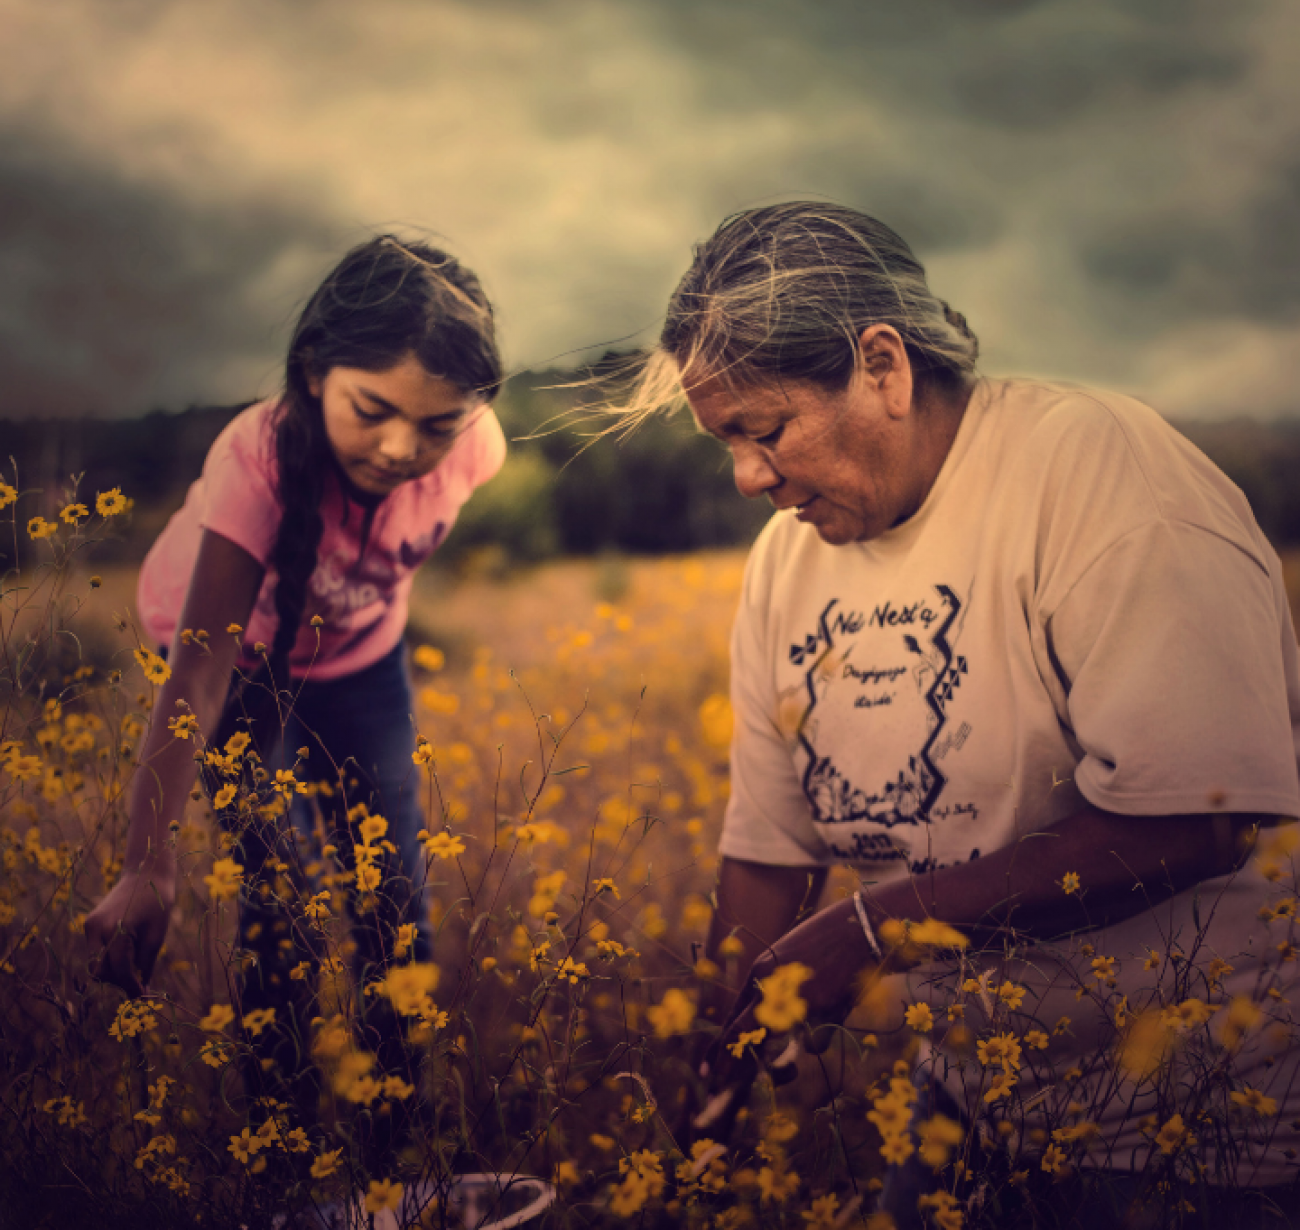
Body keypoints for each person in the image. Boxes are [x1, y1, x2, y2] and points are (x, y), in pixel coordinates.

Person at [630, 202, 1300, 1226]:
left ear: (884, 366)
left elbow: (1197, 817)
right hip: (964, 1113)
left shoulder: (1099, 478)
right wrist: (714, 1065)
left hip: (1199, 1124)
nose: (747, 476)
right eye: (727, 442)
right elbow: (770, 849)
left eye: (765, 431)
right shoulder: (786, 559)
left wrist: (873, 928)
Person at [85, 235, 506, 1118]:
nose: (401, 448)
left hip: (362, 666)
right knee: (281, 913)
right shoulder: (258, 463)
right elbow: (195, 676)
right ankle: (285, 1166)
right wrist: (147, 867)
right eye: (374, 409)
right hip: (234, 677)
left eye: (437, 424)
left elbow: (395, 528)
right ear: (314, 371)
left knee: (397, 905)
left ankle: (398, 1157)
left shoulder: (476, 448)